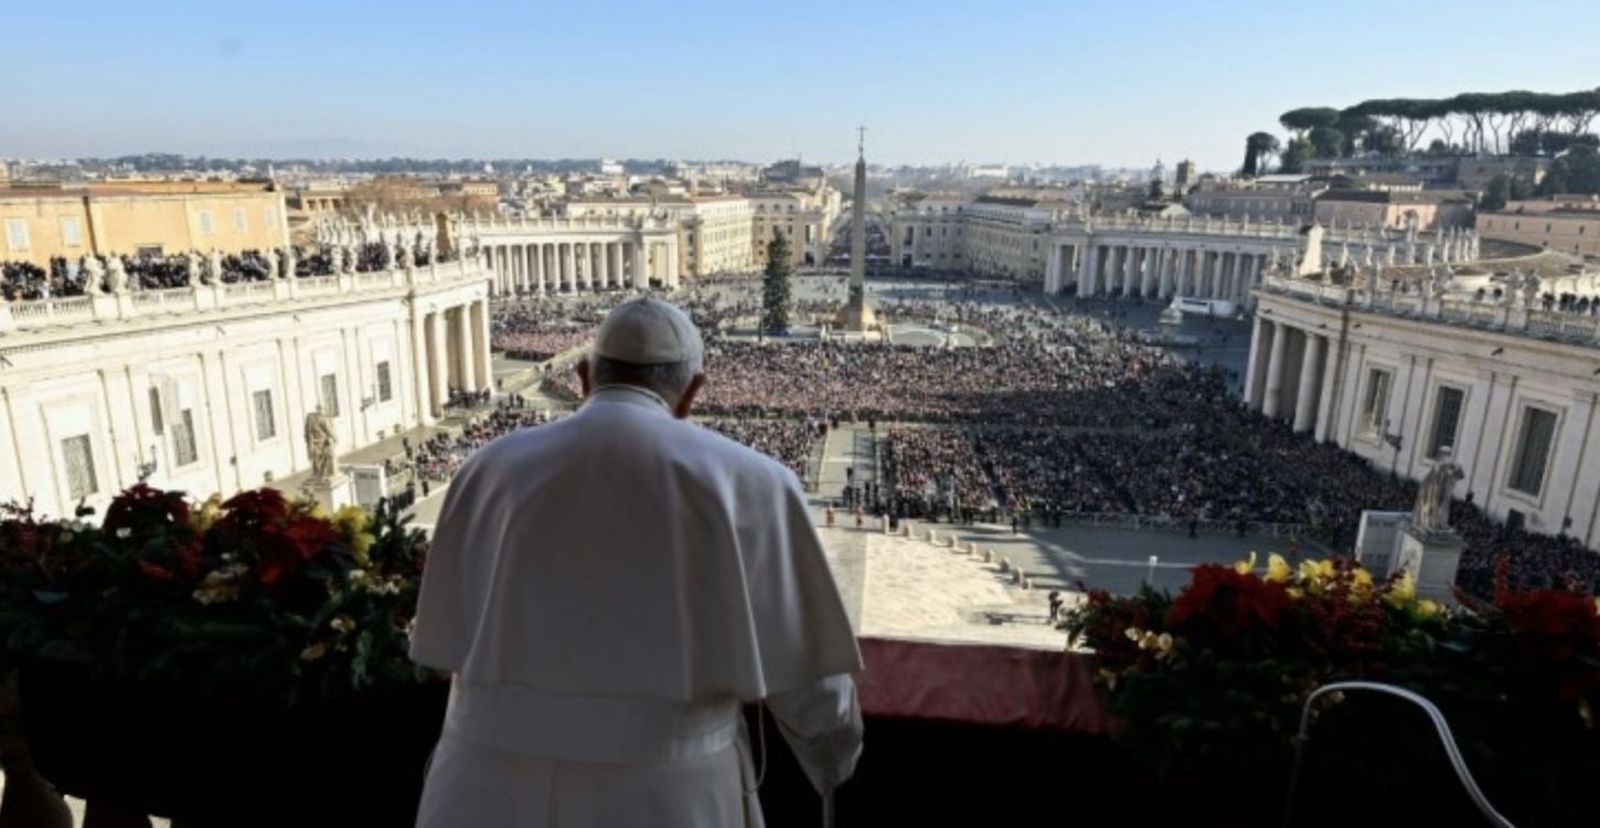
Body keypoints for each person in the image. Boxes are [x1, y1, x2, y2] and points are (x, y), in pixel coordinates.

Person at [411, 297, 863, 828]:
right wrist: (833, 766)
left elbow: (444, 639)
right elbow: (812, 686)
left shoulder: (485, 469)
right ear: (692, 393)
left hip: (479, 787)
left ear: (584, 376)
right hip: (665, 795)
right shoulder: (753, 483)